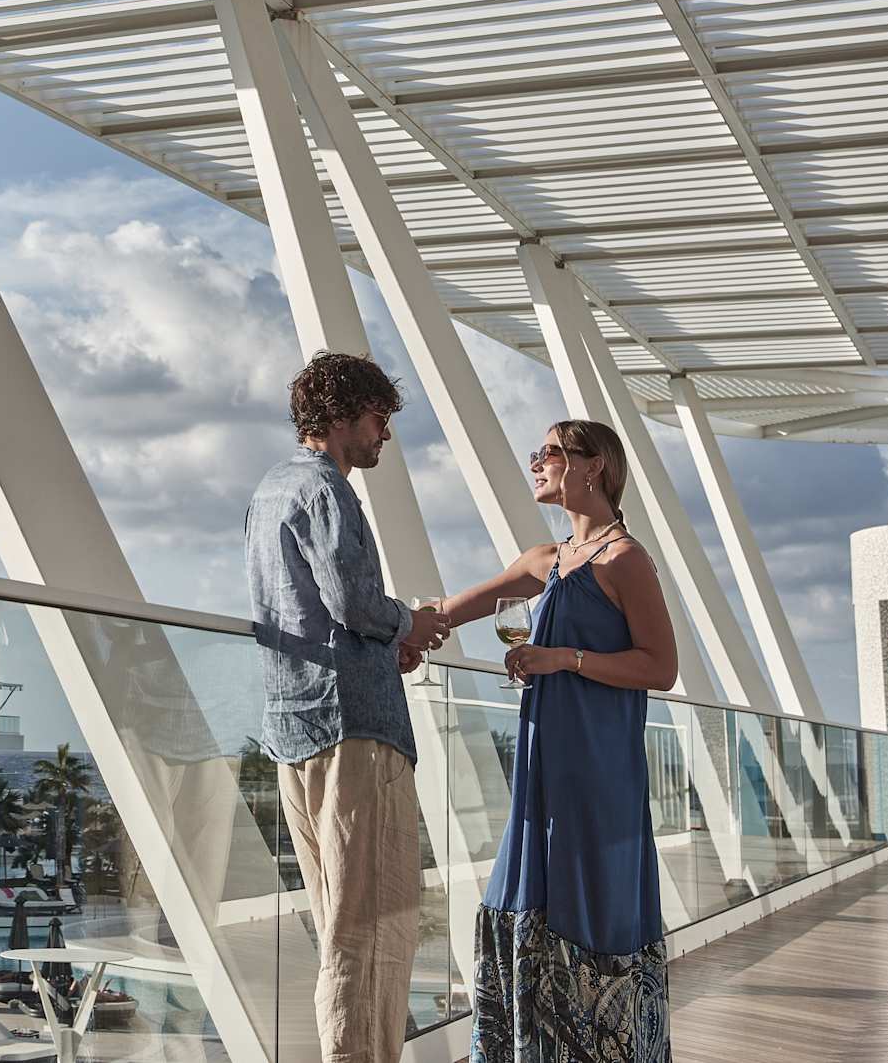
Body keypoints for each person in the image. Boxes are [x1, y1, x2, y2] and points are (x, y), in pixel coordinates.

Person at [432, 418, 677, 1061]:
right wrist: (405, 631)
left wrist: (563, 658)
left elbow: (661, 667)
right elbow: (456, 608)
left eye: (550, 452)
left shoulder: (625, 560)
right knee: (524, 890)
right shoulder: (546, 559)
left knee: (593, 898)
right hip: (544, 762)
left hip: (600, 766)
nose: (536, 462)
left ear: (594, 466)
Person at [243, 350, 451, 1063]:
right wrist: (412, 624)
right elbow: (354, 603)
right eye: (378, 418)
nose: (385, 434)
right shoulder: (326, 488)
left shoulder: (270, 490)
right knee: (372, 927)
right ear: (341, 415)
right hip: (353, 728)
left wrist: (383, 644)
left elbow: (308, 615)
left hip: (294, 727)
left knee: (338, 919)